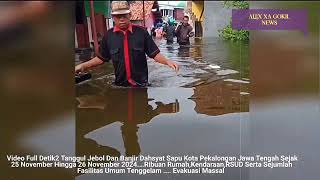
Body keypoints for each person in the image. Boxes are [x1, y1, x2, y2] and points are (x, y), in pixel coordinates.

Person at [75, 1, 179, 87]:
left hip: (141, 86)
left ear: (130, 15)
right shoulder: (109, 36)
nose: (121, 19)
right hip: (120, 86)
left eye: (124, 15)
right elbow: (101, 58)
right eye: (117, 16)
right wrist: (84, 66)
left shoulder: (142, 32)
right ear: (112, 17)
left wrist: (167, 61)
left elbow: (154, 54)